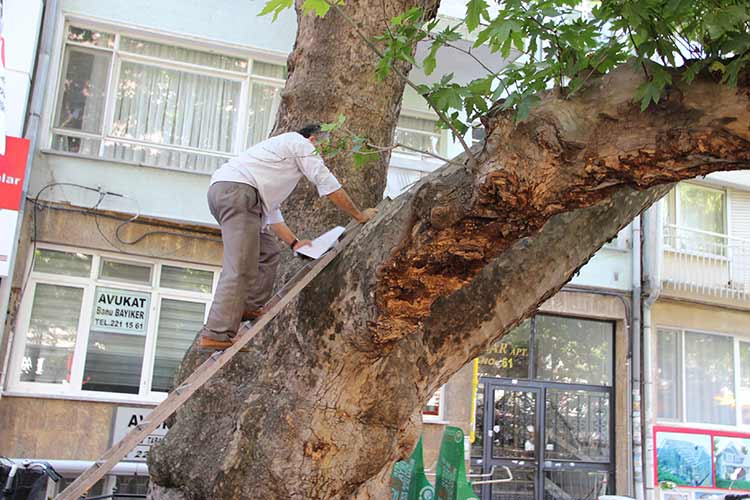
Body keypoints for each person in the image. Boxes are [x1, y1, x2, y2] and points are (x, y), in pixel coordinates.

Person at [198, 124, 377, 350]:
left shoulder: (276, 157)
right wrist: (359, 215)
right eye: (321, 148)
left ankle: (247, 306)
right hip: (237, 194)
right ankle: (216, 332)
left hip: (234, 195)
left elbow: (272, 213)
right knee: (240, 265)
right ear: (312, 139)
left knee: (268, 252)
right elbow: (326, 181)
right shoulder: (299, 143)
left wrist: (294, 242)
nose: (321, 155)